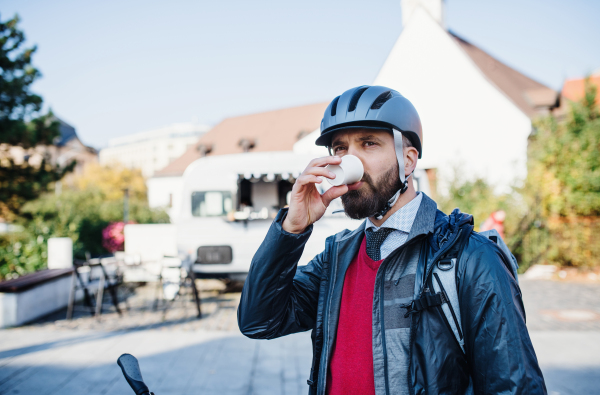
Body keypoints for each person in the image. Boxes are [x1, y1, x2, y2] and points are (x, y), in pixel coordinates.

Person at [238, 85, 546, 395]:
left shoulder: (470, 258)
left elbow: (514, 387)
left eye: (369, 143)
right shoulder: (335, 260)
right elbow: (259, 322)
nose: (348, 161)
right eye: (340, 148)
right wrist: (291, 228)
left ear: (409, 160)